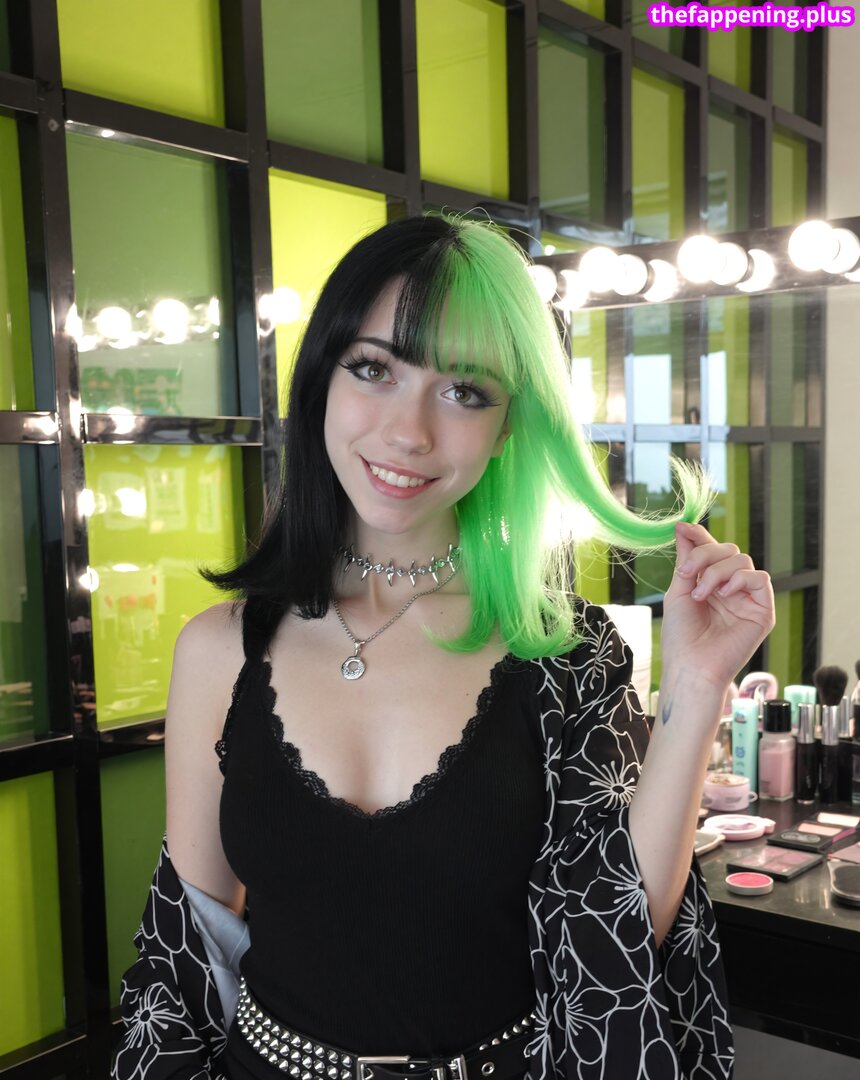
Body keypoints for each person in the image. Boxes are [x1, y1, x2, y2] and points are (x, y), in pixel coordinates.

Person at [113, 214, 774, 1080]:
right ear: (320, 379)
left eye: (465, 391)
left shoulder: (567, 658)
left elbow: (614, 948)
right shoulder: (218, 651)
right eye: (374, 369)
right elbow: (190, 953)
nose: (410, 432)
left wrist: (696, 685)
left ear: (510, 427)